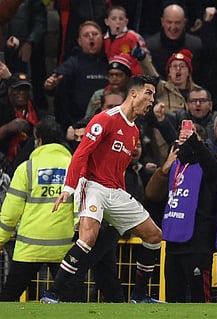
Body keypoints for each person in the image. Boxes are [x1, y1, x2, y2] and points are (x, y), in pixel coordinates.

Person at [39, 75, 163, 304]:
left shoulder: (134, 131)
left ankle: (139, 296)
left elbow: (119, 170)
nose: (152, 99)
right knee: (88, 238)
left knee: (154, 235)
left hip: (115, 191)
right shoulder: (105, 119)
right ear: (133, 93)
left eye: (153, 95)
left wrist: (124, 200)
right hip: (92, 185)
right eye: (149, 93)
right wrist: (69, 186)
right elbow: (81, 153)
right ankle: (52, 293)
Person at [145, 124, 217, 302]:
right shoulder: (174, 166)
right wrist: (163, 170)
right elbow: (152, 195)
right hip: (173, 245)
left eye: (191, 141)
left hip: (198, 245)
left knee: (199, 301)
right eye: (183, 141)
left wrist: (194, 140)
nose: (186, 145)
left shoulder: (211, 166)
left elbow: (213, 168)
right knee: (173, 300)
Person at [0, 119, 74, 301]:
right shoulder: (74, 166)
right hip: (63, 248)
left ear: (38, 140)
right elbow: (81, 206)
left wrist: (0, 238)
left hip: (29, 248)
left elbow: (10, 212)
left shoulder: (27, 168)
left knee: (8, 300)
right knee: (72, 303)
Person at [44, 20, 109, 132]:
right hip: (78, 125)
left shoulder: (111, 61)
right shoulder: (73, 63)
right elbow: (58, 77)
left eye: (94, 34)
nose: (91, 37)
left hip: (108, 122)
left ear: (102, 37)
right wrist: (51, 85)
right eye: (86, 35)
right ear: (79, 41)